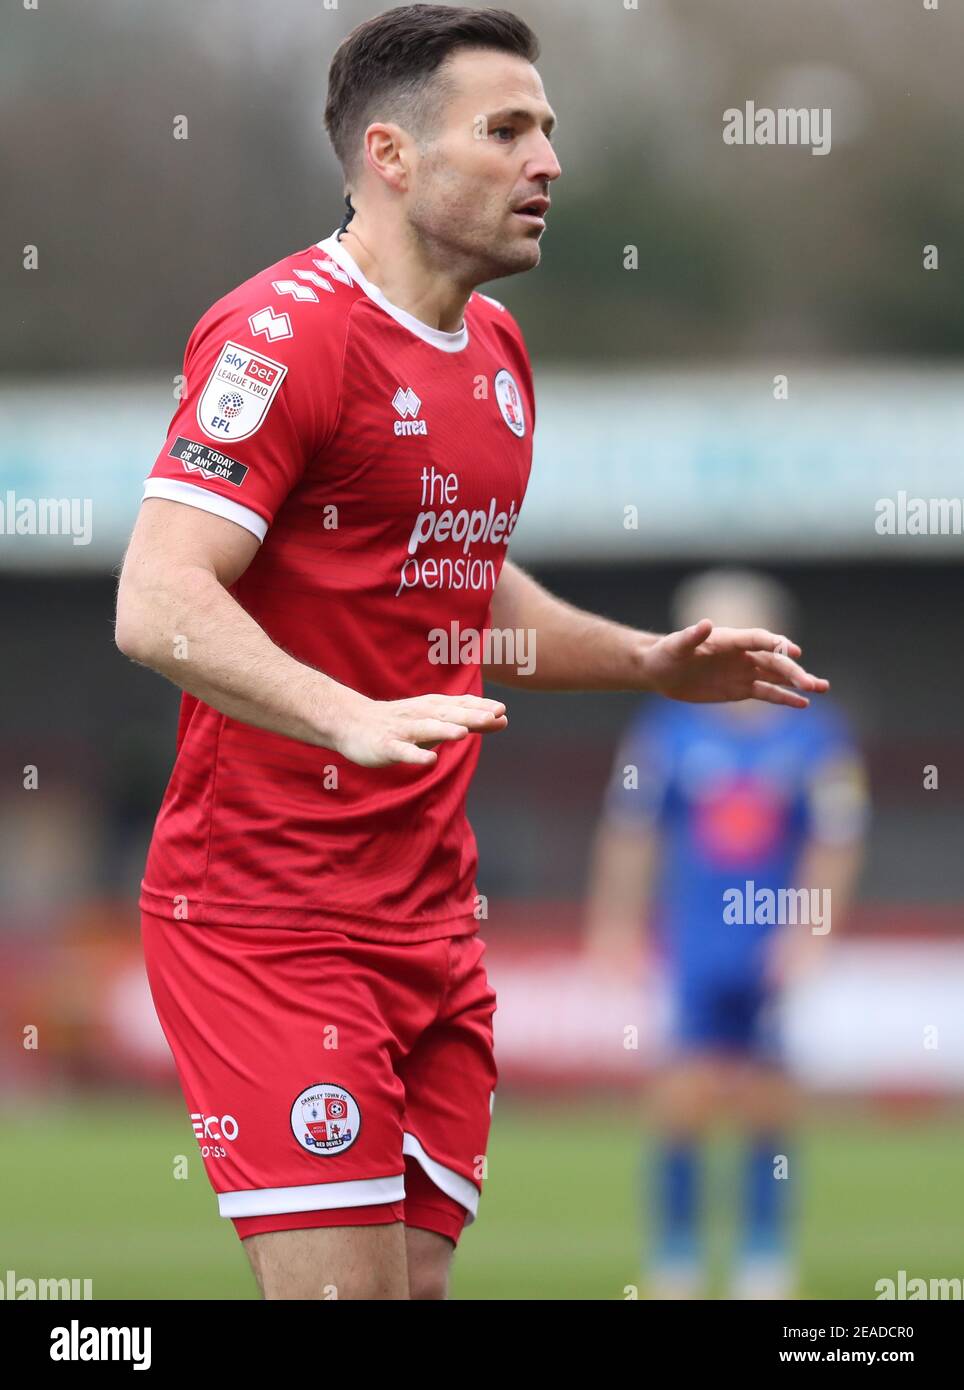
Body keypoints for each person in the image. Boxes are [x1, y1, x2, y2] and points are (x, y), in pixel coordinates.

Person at [115, 6, 828, 1300]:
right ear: (390, 155)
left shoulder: (494, 354)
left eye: (548, 128)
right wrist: (341, 710)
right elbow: (158, 598)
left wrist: (649, 665)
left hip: (431, 917)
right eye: (507, 130)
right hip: (270, 913)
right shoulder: (282, 336)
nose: (547, 158)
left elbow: (460, 592)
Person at [585, 570, 867, 1300]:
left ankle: (763, 1258)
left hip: (770, 942)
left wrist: (811, 933)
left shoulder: (816, 734)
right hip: (695, 940)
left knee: (769, 1100)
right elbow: (630, 835)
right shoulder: (664, 733)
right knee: (682, 1098)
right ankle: (677, 1258)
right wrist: (615, 925)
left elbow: (835, 845)